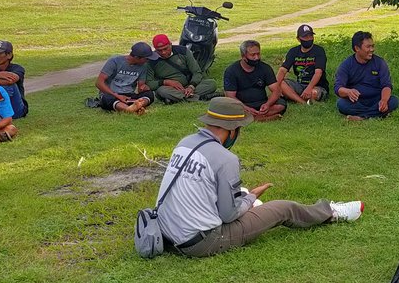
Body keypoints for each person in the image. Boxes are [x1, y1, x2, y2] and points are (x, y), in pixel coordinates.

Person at [154, 97, 364, 257]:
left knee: (242, 195)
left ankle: (252, 202)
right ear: (233, 129)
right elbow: (228, 215)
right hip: (200, 242)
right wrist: (251, 197)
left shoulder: (185, 143)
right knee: (283, 208)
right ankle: (331, 212)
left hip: (166, 232)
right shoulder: (225, 158)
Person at [334, 31, 399, 120]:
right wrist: (348, 92)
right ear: (357, 48)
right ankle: (377, 115)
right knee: (341, 104)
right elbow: (338, 88)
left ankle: (361, 117)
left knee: (393, 101)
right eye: (368, 47)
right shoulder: (346, 65)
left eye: (372, 46)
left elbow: (386, 85)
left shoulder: (380, 63)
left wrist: (384, 100)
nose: (372, 49)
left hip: (376, 99)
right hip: (357, 101)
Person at [223, 40, 285, 121]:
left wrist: (267, 104)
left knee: (281, 105)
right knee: (227, 106)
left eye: (258, 54)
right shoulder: (231, 71)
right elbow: (230, 96)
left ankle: (255, 117)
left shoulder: (265, 68)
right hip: (241, 105)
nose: (256, 57)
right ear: (243, 56)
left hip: (261, 103)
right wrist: (246, 108)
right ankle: (260, 117)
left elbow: (276, 90)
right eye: (253, 55)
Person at [148, 34, 219, 103]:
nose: (163, 52)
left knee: (211, 83)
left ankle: (175, 99)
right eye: (159, 50)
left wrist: (191, 86)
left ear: (170, 44)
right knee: (161, 91)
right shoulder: (151, 61)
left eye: (166, 49)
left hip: (190, 85)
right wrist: (166, 82)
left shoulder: (183, 51)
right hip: (171, 89)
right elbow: (149, 83)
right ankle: (200, 98)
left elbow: (196, 72)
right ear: (155, 49)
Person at [96, 42, 157, 114]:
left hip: (129, 95)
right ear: (137, 57)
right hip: (112, 94)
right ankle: (129, 109)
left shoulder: (143, 66)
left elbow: (141, 87)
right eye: (146, 59)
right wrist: (117, 96)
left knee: (149, 94)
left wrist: (144, 88)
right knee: (106, 99)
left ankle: (137, 106)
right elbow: (99, 83)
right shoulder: (115, 61)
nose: (148, 61)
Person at [278, 24, 329, 105]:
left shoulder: (319, 50)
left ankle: (293, 96)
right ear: (298, 39)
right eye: (305, 37)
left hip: (317, 86)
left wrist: (309, 88)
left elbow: (318, 73)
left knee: (314, 93)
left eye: (311, 36)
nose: (309, 39)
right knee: (280, 84)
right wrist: (276, 88)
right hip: (300, 84)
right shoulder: (293, 51)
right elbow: (282, 70)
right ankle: (302, 102)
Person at [0, 40, 28, 118]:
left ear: (9, 55)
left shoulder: (18, 68)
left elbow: (10, 81)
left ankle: (2, 113)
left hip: (16, 109)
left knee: (9, 86)